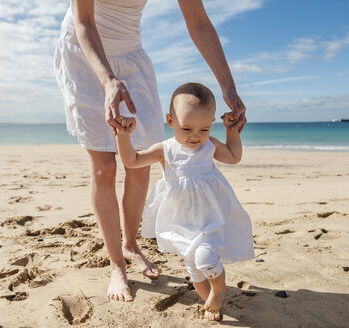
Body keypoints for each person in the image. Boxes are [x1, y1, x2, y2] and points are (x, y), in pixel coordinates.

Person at [53, 0, 247, 302]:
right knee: (105, 168)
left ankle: (131, 245)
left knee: (140, 166)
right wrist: (108, 81)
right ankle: (117, 264)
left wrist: (229, 88)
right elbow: (84, 23)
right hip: (86, 53)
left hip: (131, 56)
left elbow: (199, 23)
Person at [115, 82, 255, 320]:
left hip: (210, 217)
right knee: (195, 269)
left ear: (212, 124)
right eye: (187, 128)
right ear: (170, 122)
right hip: (181, 222)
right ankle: (212, 301)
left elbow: (233, 157)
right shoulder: (165, 149)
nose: (195, 136)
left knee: (205, 258)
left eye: (204, 129)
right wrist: (123, 136)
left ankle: (219, 291)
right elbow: (131, 161)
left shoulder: (209, 146)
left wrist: (231, 133)